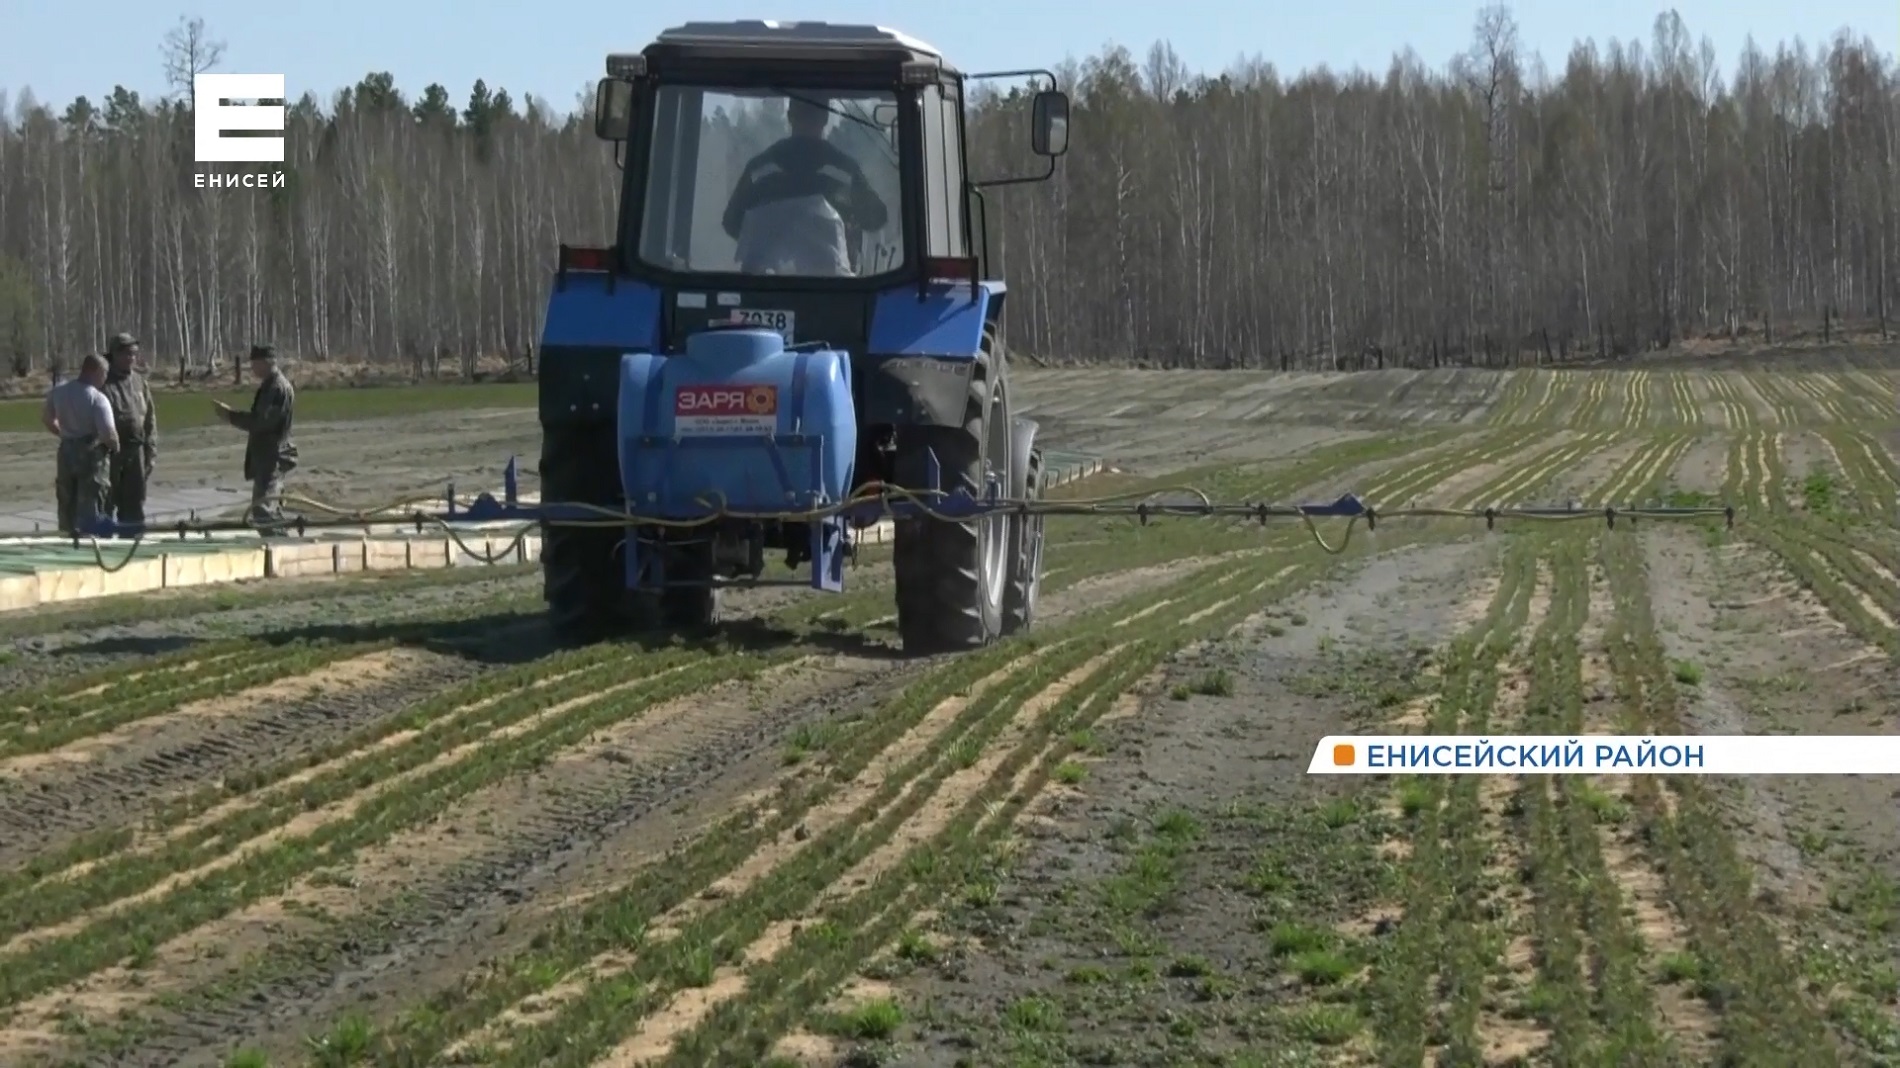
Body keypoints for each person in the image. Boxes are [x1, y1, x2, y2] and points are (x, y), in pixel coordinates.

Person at [721, 95, 888, 274]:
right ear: (825, 118)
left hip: (765, 291)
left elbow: (731, 223)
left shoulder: (760, 169)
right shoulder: (844, 171)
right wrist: (849, 224)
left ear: (790, 116)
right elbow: (876, 217)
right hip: (835, 293)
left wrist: (771, 239)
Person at [213, 345, 297, 531]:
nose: (252, 368)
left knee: (262, 512)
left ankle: (278, 551)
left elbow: (262, 422)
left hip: (272, 457)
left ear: (265, 363)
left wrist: (230, 416)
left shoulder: (277, 388)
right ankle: (279, 547)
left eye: (254, 363)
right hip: (267, 457)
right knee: (268, 511)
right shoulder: (270, 386)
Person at [41, 354, 119, 536]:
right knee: (91, 497)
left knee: (67, 497)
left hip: (66, 449)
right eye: (105, 373)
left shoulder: (58, 393)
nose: (105, 378)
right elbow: (108, 432)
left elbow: (47, 419)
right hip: (90, 453)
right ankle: (90, 537)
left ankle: (68, 535)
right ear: (96, 371)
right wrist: (115, 447)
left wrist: (62, 433)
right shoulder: (97, 399)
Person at [99, 332, 157, 529]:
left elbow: (149, 418)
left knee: (134, 505)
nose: (130, 358)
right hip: (110, 453)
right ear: (114, 354)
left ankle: (133, 544)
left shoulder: (139, 381)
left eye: (133, 353)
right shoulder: (102, 381)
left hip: (136, 452)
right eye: (125, 354)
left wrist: (151, 450)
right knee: (106, 502)